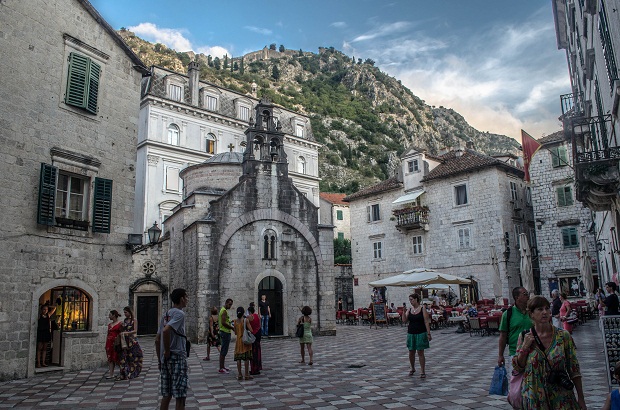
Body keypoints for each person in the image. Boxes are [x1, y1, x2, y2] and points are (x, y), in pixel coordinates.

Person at [512, 295, 586, 409]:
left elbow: (574, 369)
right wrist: (525, 347)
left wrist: (581, 397)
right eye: (540, 309)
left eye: (547, 308)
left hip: (560, 395)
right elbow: (518, 367)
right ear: (531, 314)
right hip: (534, 395)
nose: (545, 312)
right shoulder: (524, 336)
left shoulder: (563, 336)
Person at [155, 288, 189, 410]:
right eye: (186, 297)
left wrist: (160, 359)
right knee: (180, 396)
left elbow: (157, 339)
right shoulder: (180, 314)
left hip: (165, 359)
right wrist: (168, 350)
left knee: (167, 394)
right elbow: (166, 330)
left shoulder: (166, 314)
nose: (187, 300)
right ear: (181, 299)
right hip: (176, 356)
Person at [498, 287, 532, 377]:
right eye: (525, 294)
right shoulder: (508, 314)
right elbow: (503, 336)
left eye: (527, 294)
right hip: (515, 353)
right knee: (516, 386)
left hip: (533, 352)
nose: (528, 296)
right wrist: (500, 355)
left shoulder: (532, 312)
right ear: (517, 297)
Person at [402, 293, 431, 378]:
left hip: (421, 332)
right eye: (409, 300)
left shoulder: (422, 309)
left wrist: (428, 333)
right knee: (411, 351)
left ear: (416, 299)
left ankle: (422, 370)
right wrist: (403, 312)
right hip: (411, 332)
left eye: (411, 299)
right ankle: (412, 368)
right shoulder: (409, 310)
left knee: (420, 352)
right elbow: (404, 321)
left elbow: (426, 321)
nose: (410, 301)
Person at [117, 306, 143, 380]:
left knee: (133, 356)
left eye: (126, 312)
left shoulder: (134, 320)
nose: (125, 314)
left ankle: (133, 372)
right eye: (124, 312)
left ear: (129, 312)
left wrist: (127, 333)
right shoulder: (125, 321)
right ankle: (125, 372)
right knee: (125, 356)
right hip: (125, 341)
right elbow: (122, 329)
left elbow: (135, 330)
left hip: (132, 340)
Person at [233, 306, 253, 380]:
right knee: (246, 358)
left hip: (238, 342)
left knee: (239, 359)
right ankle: (247, 374)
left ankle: (239, 374)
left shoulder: (235, 321)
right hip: (245, 341)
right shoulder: (245, 320)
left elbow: (235, 332)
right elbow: (251, 330)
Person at [36, 303, 57, 368]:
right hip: (41, 332)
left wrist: (48, 305)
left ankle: (43, 362)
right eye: (44, 309)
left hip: (46, 332)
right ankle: (38, 363)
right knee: (39, 348)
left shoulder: (48, 315)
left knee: (45, 348)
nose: (45, 310)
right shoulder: (39, 316)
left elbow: (54, 308)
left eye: (46, 309)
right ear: (41, 310)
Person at [105, 310, 122, 379]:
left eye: (110, 315)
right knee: (110, 358)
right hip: (109, 342)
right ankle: (111, 374)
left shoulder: (120, 324)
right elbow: (108, 334)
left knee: (117, 357)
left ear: (114, 315)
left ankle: (122, 372)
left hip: (116, 343)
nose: (109, 316)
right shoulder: (109, 325)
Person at [218, 298, 234, 374]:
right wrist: (232, 328)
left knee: (224, 350)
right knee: (224, 350)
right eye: (229, 304)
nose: (230, 306)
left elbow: (225, 321)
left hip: (224, 331)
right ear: (226, 303)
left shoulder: (223, 310)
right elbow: (223, 323)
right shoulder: (224, 311)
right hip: (225, 332)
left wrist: (231, 322)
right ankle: (221, 367)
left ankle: (223, 366)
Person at [247, 305, 262, 375]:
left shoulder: (249, 317)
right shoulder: (257, 315)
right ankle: (258, 368)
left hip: (253, 335)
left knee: (253, 352)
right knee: (258, 352)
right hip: (258, 334)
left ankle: (253, 369)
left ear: (249, 311)